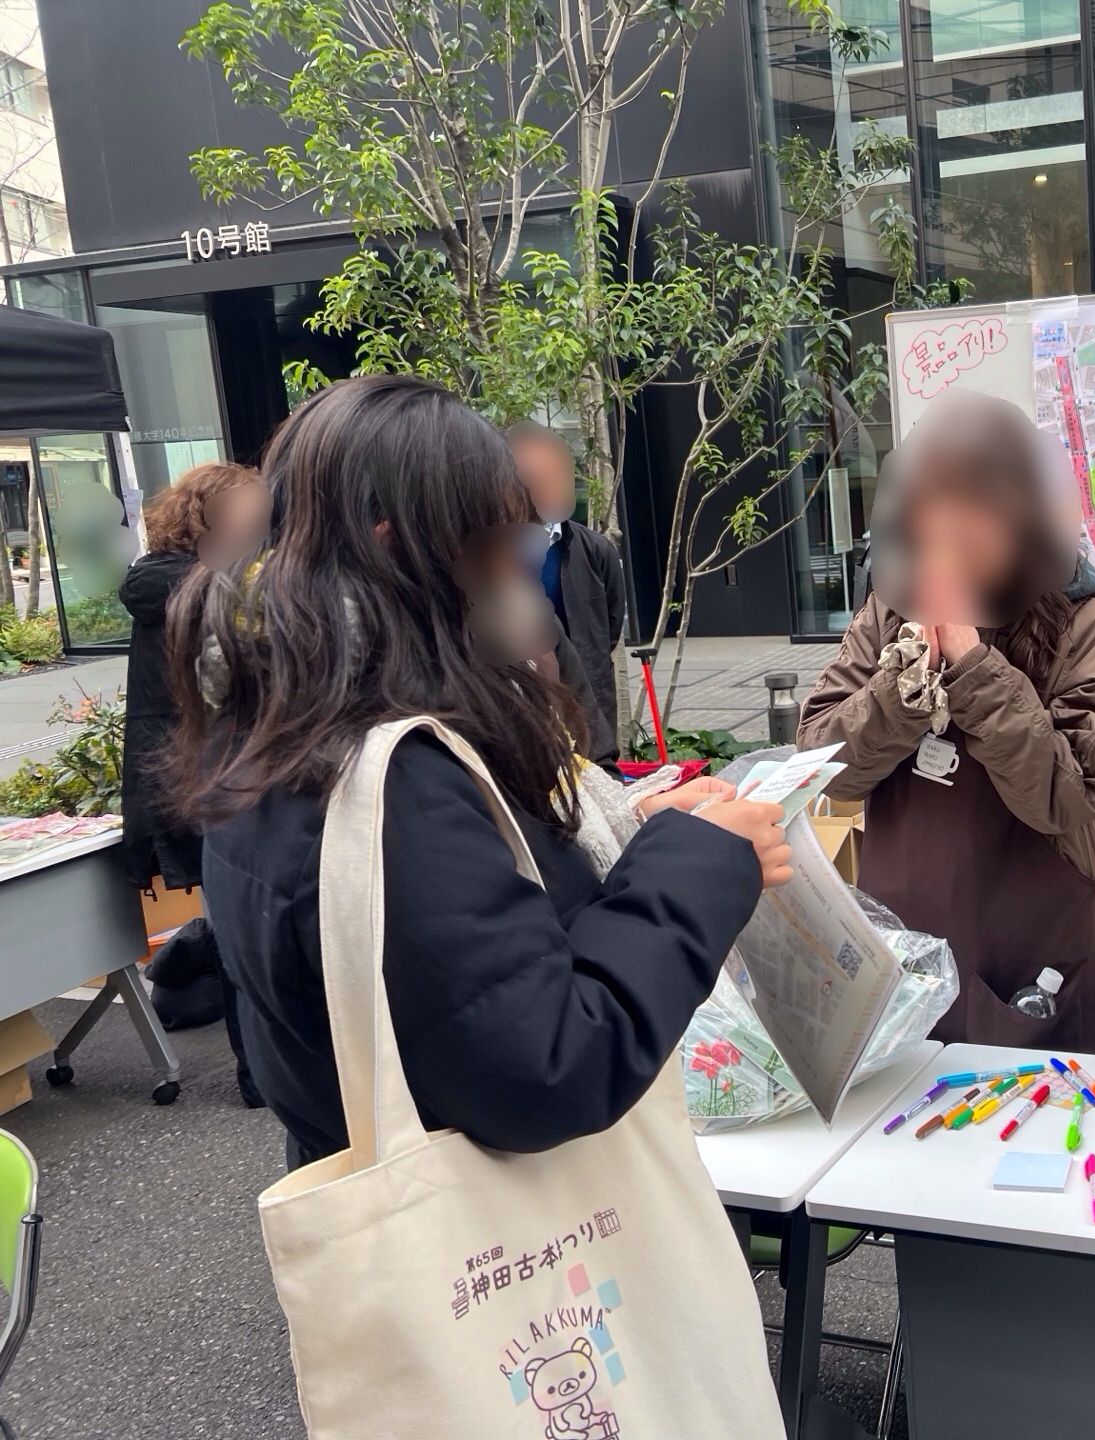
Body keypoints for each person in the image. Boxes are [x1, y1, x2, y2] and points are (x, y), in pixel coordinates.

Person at [166, 375, 792, 1170]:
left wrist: (638, 827)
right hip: (500, 1226)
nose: (524, 579)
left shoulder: (275, 714)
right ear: (402, 550)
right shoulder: (391, 775)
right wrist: (697, 865)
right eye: (508, 546)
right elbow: (548, 1063)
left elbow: (474, 915)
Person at [799, 391, 1095, 1052]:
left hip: (1027, 974)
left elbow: (1067, 796)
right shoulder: (887, 614)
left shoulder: (1089, 631)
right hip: (901, 968)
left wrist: (971, 665)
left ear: (1022, 517)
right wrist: (901, 689)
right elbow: (822, 766)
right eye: (935, 505)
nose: (951, 531)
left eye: (976, 508)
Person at [119, 460, 269, 1102]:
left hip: (216, 780)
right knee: (242, 932)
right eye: (252, 512)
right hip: (213, 783)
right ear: (207, 518)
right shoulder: (196, 587)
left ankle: (263, 1071)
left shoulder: (189, 582)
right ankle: (258, 1074)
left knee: (242, 925)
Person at [508, 422, 627, 756]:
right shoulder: (494, 554)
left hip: (589, 702)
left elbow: (610, 627)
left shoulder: (595, 550)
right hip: (528, 705)